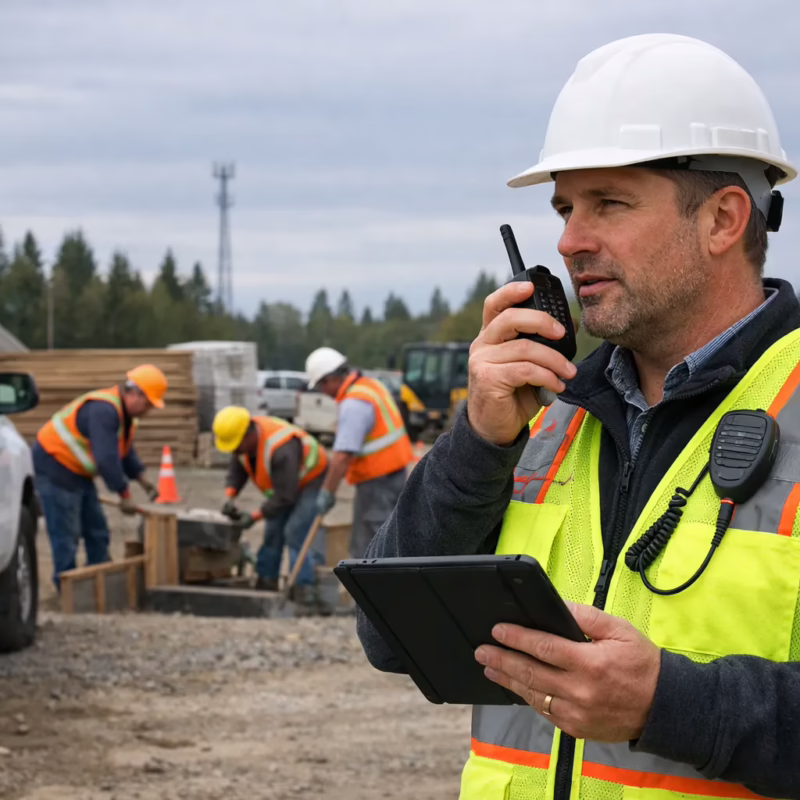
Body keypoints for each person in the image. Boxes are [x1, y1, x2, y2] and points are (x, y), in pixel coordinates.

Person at [356, 34, 800, 800]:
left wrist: (671, 705)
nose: (568, 241)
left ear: (725, 219)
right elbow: (391, 637)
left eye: (610, 204)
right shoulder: (543, 418)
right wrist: (477, 442)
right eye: (564, 207)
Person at [33, 365, 167, 588]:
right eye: (148, 403)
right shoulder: (104, 410)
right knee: (66, 534)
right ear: (135, 393)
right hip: (54, 465)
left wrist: (142, 479)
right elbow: (106, 458)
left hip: (77, 472)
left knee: (97, 529)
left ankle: (98, 582)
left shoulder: (125, 417)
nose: (149, 410)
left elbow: (124, 451)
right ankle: (67, 589)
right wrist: (124, 493)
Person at [212, 406, 329, 604]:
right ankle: (267, 580)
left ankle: (304, 589)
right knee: (273, 530)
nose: (235, 450)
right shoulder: (244, 442)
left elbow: (286, 497)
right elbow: (238, 465)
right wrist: (230, 496)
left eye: (236, 445)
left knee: (295, 531)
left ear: (248, 435)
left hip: (313, 480)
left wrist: (254, 516)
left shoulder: (281, 449)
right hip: (287, 485)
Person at [305, 347, 414, 558]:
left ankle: (377, 588)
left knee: (372, 544)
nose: (322, 392)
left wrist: (328, 491)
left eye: (321, 386)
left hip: (377, 483)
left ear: (330, 379)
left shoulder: (355, 403)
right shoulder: (371, 386)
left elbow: (342, 456)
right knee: (391, 535)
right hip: (395, 474)